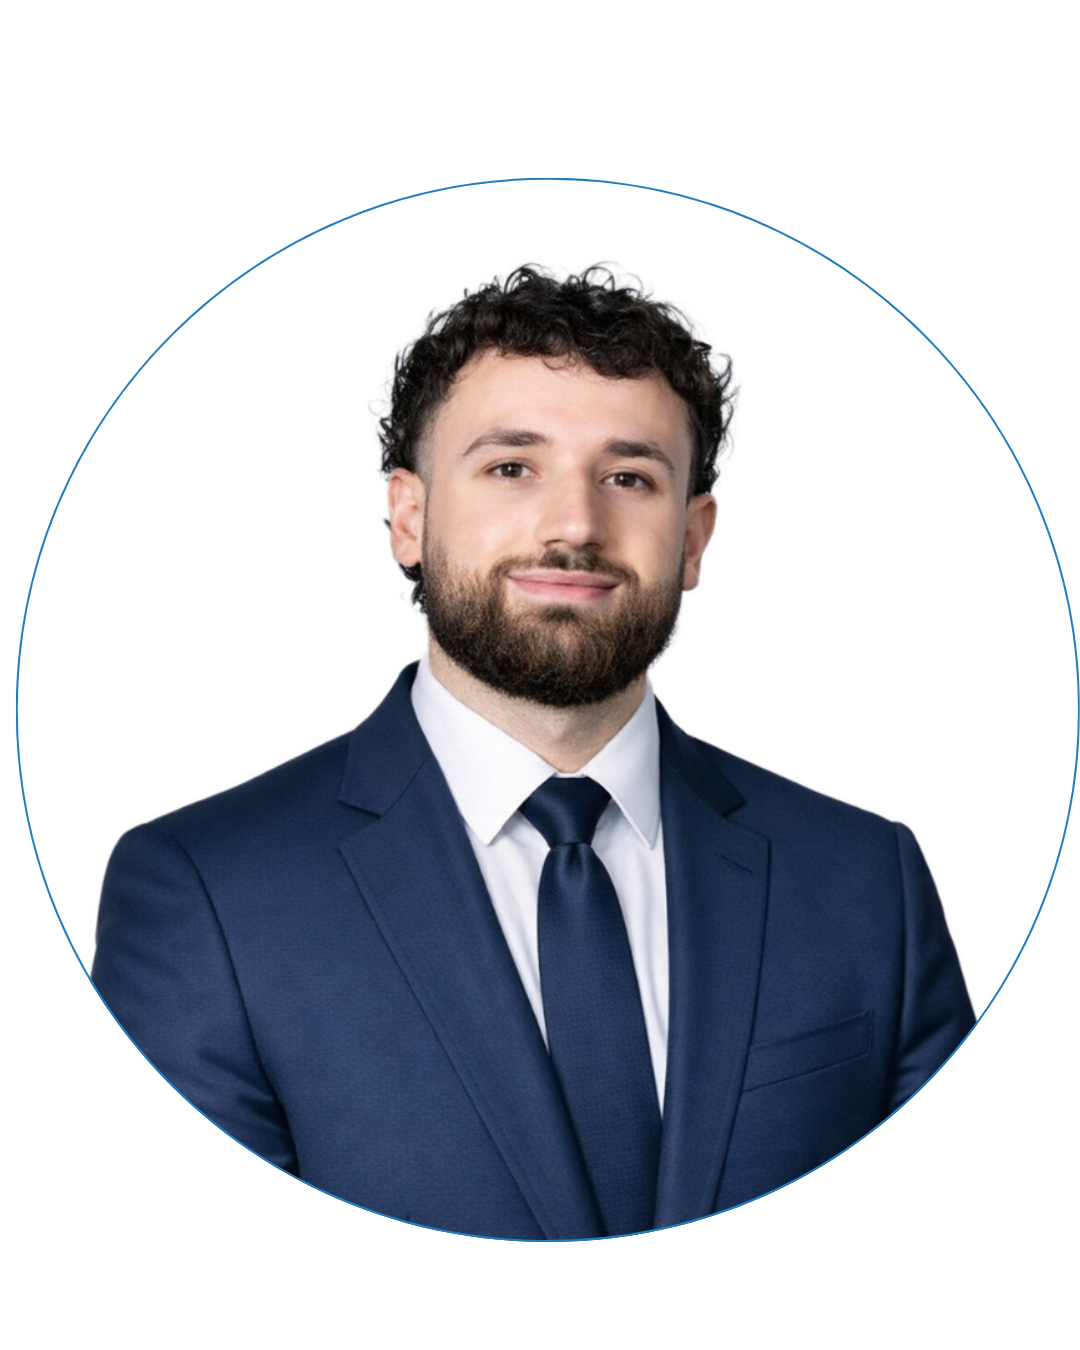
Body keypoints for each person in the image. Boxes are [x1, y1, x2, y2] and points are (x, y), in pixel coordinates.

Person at [92, 265, 975, 1240]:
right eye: (512, 467)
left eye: (628, 476)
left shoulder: (864, 882)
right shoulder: (205, 894)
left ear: (692, 537)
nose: (575, 526)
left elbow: (954, 1255)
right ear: (410, 517)